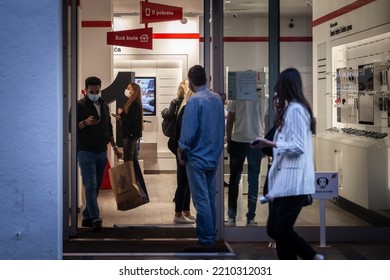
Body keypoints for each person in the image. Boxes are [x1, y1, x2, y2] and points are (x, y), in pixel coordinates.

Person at [251, 68, 324, 260]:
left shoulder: (296, 110)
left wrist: (270, 143)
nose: (275, 95)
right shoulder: (288, 112)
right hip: (284, 183)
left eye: (277, 89)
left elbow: (298, 146)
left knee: (281, 229)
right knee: (275, 229)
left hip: (294, 183)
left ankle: (313, 256)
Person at [177, 65, 225, 251]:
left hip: (196, 156)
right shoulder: (216, 100)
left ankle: (205, 239)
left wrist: (182, 149)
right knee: (210, 198)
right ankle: (211, 233)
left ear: (190, 81)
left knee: (201, 200)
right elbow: (220, 127)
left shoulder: (195, 101)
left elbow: (189, 131)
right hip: (213, 155)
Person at [76, 76, 122, 232]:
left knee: (96, 187)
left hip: (102, 151)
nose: (95, 94)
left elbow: (108, 128)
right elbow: (70, 127)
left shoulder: (104, 105)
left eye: (97, 91)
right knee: (91, 184)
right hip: (85, 151)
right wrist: (84, 123)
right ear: (86, 91)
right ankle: (96, 218)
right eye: (92, 91)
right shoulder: (79, 106)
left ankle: (87, 216)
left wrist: (115, 147)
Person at [225, 87, 268, 226]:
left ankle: (231, 216)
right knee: (253, 180)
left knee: (234, 179)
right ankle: (251, 218)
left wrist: (229, 140)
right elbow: (266, 122)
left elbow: (230, 120)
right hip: (256, 141)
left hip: (238, 140)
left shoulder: (236, 96)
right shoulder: (264, 98)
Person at [170, 80, 196, 224]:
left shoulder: (185, 106)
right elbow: (185, 132)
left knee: (185, 183)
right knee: (183, 183)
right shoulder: (187, 108)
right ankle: (178, 214)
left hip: (183, 149)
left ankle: (185, 211)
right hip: (184, 150)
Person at [115, 82, 143, 162]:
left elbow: (132, 121)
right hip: (130, 134)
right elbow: (129, 118)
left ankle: (129, 174)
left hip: (130, 135)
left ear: (133, 91)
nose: (126, 90)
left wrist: (122, 113)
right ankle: (135, 175)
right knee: (133, 160)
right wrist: (120, 117)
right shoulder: (132, 102)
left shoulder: (134, 104)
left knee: (128, 160)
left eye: (128, 88)